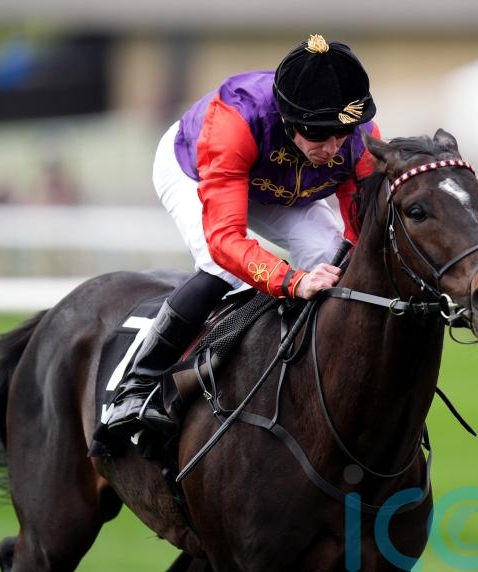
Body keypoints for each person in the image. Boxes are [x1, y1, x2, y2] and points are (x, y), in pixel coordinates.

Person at [106, 34, 380, 433]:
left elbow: (362, 228)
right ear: (289, 119)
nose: (336, 148)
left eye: (344, 134)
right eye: (321, 135)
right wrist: (293, 281)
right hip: (197, 169)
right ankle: (136, 385)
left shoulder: (359, 135)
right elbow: (225, 241)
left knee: (329, 252)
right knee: (226, 271)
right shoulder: (233, 121)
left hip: (280, 185)